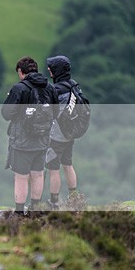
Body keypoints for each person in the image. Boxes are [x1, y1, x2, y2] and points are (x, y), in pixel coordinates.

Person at [1, 57, 58, 216]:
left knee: (21, 176)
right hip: (42, 140)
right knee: (38, 173)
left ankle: (19, 212)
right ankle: (35, 209)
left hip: (22, 141)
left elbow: (6, 113)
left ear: (21, 71)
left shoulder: (19, 88)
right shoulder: (50, 88)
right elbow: (56, 112)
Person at [45, 55, 84, 210]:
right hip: (70, 133)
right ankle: (74, 198)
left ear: (57, 70)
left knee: (53, 168)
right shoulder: (73, 85)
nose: (49, 70)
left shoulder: (56, 90)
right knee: (68, 164)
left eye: (51, 68)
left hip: (56, 135)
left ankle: (54, 202)